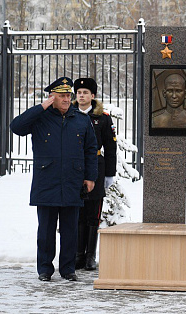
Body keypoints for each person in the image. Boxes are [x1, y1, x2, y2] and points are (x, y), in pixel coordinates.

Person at [10, 77, 98, 282]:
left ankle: (67, 269)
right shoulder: (40, 117)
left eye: (69, 95)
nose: (68, 99)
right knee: (46, 230)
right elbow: (16, 127)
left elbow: (90, 149)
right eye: (62, 96)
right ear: (52, 98)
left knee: (70, 229)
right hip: (47, 181)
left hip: (72, 181)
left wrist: (90, 177)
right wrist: (41, 107)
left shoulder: (81, 118)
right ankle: (45, 269)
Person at [72, 78, 117, 271]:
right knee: (76, 214)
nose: (81, 96)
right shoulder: (69, 114)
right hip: (74, 168)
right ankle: (77, 255)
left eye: (85, 92)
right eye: (79, 92)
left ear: (93, 96)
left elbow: (110, 147)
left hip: (96, 167)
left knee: (93, 214)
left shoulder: (103, 118)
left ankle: (90, 256)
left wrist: (109, 174)